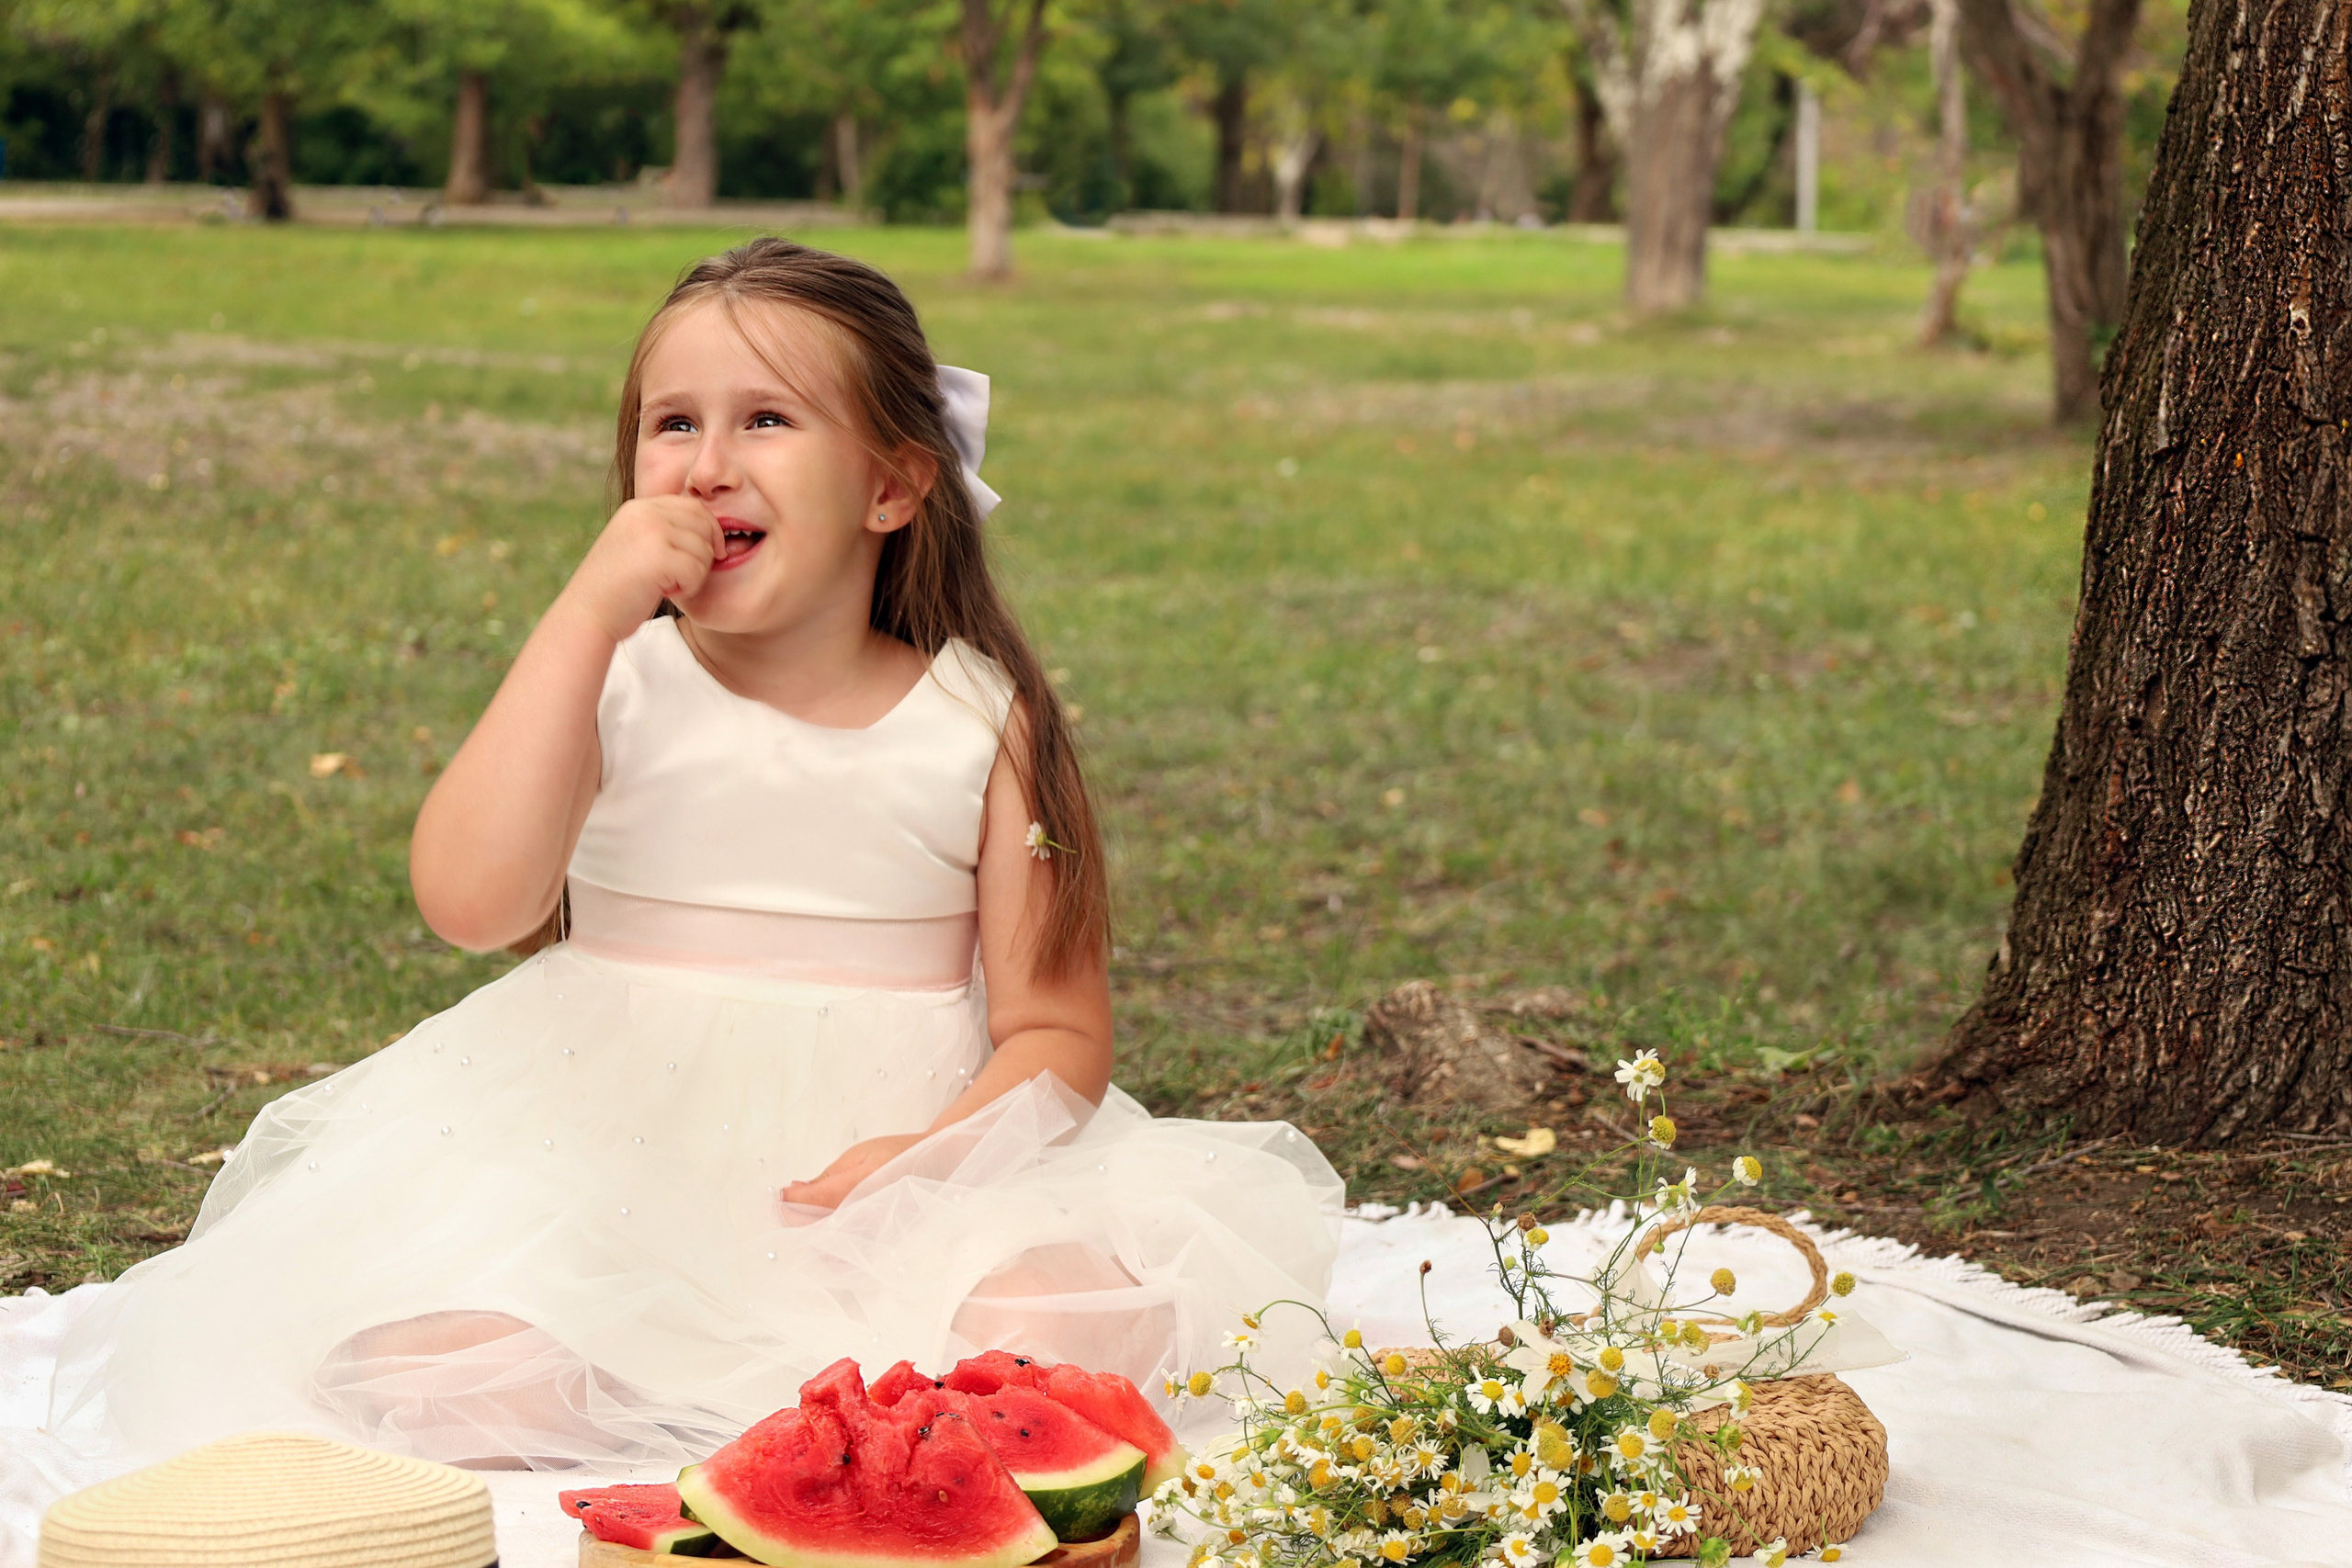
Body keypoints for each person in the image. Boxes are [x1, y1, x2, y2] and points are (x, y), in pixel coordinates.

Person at [47, 238, 1343, 1472]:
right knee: (462, 1375)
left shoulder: (978, 719)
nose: (708, 465)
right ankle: (666, 1395)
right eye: (673, 425)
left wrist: (920, 1167)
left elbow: (1057, 1032)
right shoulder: (609, 680)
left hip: (900, 1175)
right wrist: (582, 614)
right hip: (604, 1161)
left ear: (892, 487)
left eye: (766, 421)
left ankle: (788, 1394)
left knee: (1062, 1328)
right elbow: (468, 899)